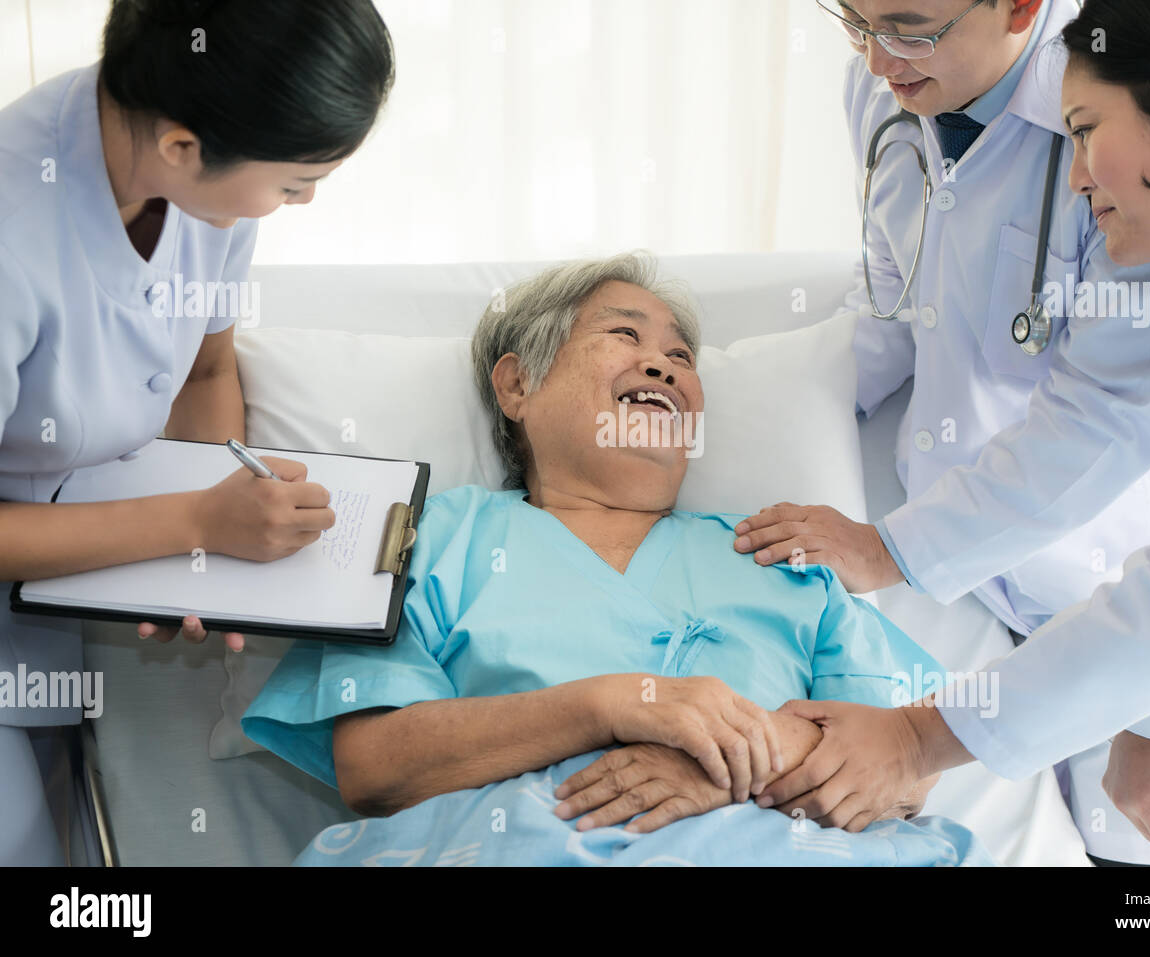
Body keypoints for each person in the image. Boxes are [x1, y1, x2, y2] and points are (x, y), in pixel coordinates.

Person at [754, 0, 1150, 857]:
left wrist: (913, 740)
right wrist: (752, 397)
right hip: (988, 588)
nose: (1080, 178)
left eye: (1086, 131)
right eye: (853, 25)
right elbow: (895, 300)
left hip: (1094, 588)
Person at [240, 254, 991, 867]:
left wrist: (727, 767)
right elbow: (375, 766)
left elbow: (901, 770)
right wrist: (611, 705)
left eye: (680, 355)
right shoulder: (432, 537)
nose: (663, 366)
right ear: (517, 384)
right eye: (624, 335)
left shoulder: (780, 554)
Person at [0, 0, 395, 864]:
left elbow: (206, 373)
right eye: (295, 182)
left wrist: (210, 552)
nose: (307, 199)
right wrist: (190, 524)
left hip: (79, 604)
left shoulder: (198, 184)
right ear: (184, 146)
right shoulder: (10, 231)